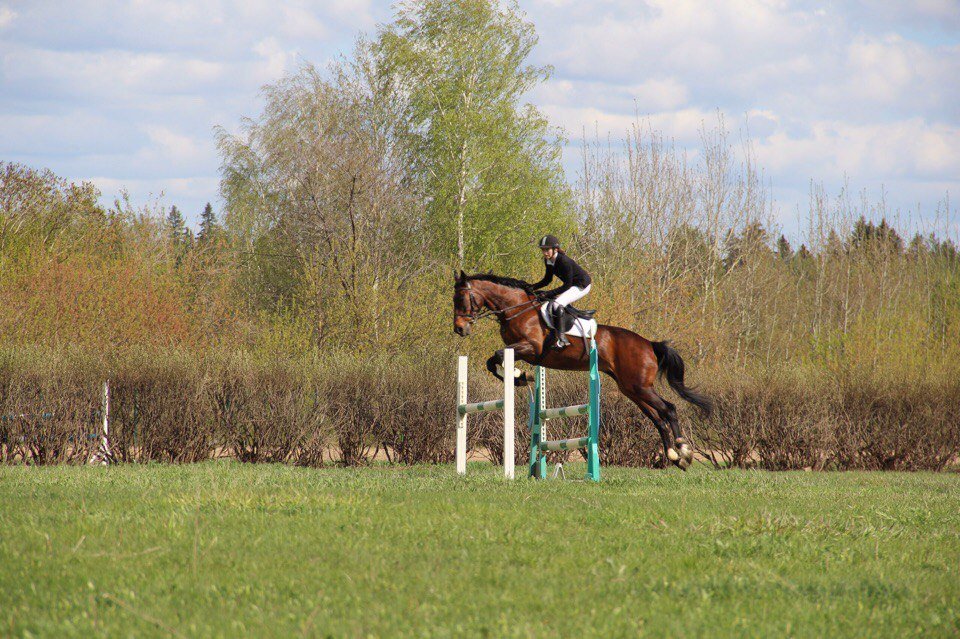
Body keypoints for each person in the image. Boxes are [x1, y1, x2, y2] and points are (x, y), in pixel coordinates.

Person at [531, 235, 592, 349]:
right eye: (543, 250)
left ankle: (562, 339)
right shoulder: (548, 260)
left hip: (582, 285)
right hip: (572, 285)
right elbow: (547, 280)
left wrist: (548, 293)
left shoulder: (564, 261)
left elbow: (567, 286)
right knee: (550, 300)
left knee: (557, 304)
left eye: (547, 249)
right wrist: (532, 287)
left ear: (555, 249)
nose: (544, 253)